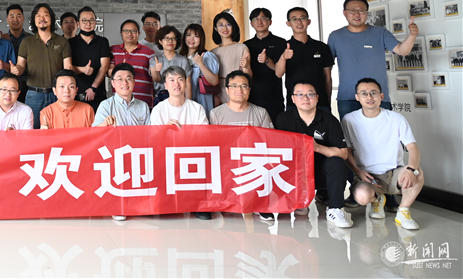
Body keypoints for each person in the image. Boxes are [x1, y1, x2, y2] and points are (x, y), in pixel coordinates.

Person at [342, 78, 424, 230]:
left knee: (417, 172)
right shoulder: (349, 120)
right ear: (357, 97)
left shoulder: (396, 118)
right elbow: (347, 150)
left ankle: (403, 212)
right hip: (367, 175)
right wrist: (357, 171)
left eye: (373, 93)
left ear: (381, 96)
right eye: (364, 93)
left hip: (394, 173)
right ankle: (377, 200)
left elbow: (412, 147)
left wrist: (411, 169)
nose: (369, 97)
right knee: (361, 196)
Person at [275, 82, 352, 228]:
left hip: (321, 173)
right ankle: (298, 199)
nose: (305, 98)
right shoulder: (283, 119)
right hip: (295, 173)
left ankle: (335, 209)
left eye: (310, 94)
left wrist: (317, 147)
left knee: (337, 162)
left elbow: (343, 153)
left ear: (317, 98)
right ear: (293, 99)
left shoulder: (329, 120)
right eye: (300, 94)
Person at [328, 0, 419, 118]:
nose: (357, 14)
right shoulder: (335, 36)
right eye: (352, 10)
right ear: (344, 12)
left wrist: (412, 35)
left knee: (383, 129)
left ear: (367, 12)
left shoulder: (380, 33)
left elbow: (402, 51)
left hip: (378, 97)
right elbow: (326, 68)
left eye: (361, 11)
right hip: (348, 98)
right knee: (349, 131)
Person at [210, 70, 275, 221]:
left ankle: (259, 204)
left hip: (253, 161)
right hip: (227, 161)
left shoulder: (261, 112)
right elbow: (214, 145)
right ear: (227, 90)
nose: (239, 90)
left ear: (249, 90)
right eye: (234, 86)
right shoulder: (216, 114)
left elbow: (270, 142)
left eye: (244, 86)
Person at [149, 66, 210, 220]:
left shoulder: (197, 108)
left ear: (186, 83)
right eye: (172, 80)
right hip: (166, 156)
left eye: (180, 80)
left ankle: (199, 204)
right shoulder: (158, 110)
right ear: (165, 85)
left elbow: (204, 137)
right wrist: (165, 130)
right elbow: (153, 140)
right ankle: (165, 201)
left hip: (191, 155)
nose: (176, 84)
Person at [92, 63, 150, 222]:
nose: (124, 83)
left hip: (137, 153)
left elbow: (150, 134)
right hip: (115, 153)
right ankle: (118, 205)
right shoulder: (106, 105)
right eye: (119, 79)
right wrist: (105, 124)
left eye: (128, 79)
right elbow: (94, 132)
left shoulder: (143, 106)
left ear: (134, 82)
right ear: (112, 83)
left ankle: (140, 203)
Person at [13, 3, 73, 128]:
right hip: (34, 95)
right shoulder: (27, 42)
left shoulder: (62, 42)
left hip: (57, 94)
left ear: (51, 19)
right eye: (38, 15)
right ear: (34, 20)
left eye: (46, 15)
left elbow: (67, 68)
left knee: (58, 129)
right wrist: (16, 69)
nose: (42, 18)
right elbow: (20, 66)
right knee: (33, 130)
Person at [274, 7, 334, 109]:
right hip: (294, 103)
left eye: (302, 18)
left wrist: (328, 101)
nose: (299, 22)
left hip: (320, 101)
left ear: (308, 21)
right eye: (294, 19)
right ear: (288, 23)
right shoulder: (283, 47)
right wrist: (284, 57)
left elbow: (327, 77)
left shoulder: (321, 47)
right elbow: (278, 74)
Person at [243, 8, 288, 123]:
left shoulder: (280, 42)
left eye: (263, 18)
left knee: (275, 128)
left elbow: (280, 70)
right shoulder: (246, 45)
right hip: (252, 95)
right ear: (251, 24)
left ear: (270, 22)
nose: (260, 22)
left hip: (274, 95)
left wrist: (267, 60)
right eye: (256, 19)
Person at [69, 6, 112, 113]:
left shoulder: (103, 41)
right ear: (78, 23)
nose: (88, 23)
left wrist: (93, 88)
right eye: (84, 20)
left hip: (97, 93)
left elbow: (104, 66)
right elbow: (67, 67)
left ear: (95, 22)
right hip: (75, 94)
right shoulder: (70, 43)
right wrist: (82, 69)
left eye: (91, 20)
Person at [109, 20, 155, 107]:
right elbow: (109, 73)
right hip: (120, 103)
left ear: (139, 33)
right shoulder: (113, 50)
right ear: (121, 33)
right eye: (126, 31)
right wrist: (121, 69)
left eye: (133, 31)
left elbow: (155, 77)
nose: (129, 34)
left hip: (144, 102)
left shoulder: (149, 52)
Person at [210, 12, 252, 106]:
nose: (225, 28)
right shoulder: (212, 52)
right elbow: (209, 78)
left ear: (233, 26)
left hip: (237, 89)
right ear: (215, 28)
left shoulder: (242, 48)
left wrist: (247, 66)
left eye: (228, 24)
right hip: (218, 91)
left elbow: (248, 76)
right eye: (220, 25)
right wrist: (214, 95)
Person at [179, 24, 220, 117]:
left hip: (202, 102)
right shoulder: (180, 57)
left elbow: (214, 81)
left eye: (196, 36)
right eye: (188, 35)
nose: (191, 39)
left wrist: (201, 64)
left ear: (201, 38)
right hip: (182, 102)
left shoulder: (207, 56)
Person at [149, 25, 192, 106]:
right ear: (160, 41)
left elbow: (187, 84)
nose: (170, 41)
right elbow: (156, 79)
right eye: (167, 38)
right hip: (161, 99)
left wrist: (189, 104)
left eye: (173, 38)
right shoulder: (154, 60)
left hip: (179, 97)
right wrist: (156, 70)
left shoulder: (183, 60)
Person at [1, 4, 28, 103]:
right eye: (12, 16)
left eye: (18, 16)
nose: (15, 19)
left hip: (27, 83)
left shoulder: (31, 39)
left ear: (23, 18)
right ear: (7, 19)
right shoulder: (1, 40)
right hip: (8, 85)